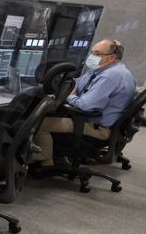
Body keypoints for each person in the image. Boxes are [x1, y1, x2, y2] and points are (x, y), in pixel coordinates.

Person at [32, 38, 137, 167]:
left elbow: (86, 106)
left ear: (111, 57)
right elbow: (76, 83)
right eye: (91, 52)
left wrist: (70, 96)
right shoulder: (102, 70)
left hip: (98, 128)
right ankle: (58, 156)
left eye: (97, 54)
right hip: (94, 120)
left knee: (40, 122)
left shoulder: (110, 76)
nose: (92, 56)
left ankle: (46, 161)